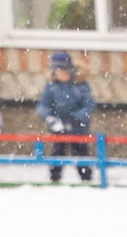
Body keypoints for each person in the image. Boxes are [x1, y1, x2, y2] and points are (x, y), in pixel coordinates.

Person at [36, 51, 94, 182]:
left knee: (81, 153)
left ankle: (86, 178)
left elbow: (88, 105)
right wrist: (50, 118)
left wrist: (75, 118)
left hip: (78, 128)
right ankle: (54, 177)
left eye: (64, 71)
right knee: (57, 152)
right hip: (58, 128)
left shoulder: (80, 85)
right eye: (58, 71)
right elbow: (43, 105)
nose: (61, 74)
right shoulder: (51, 86)